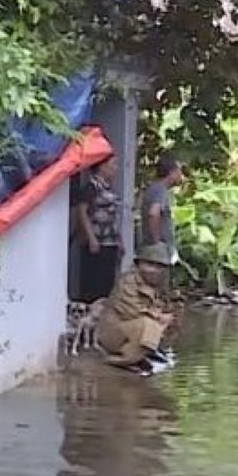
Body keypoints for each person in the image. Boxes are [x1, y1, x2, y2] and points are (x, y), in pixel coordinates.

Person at [98, 243, 176, 375]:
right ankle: (121, 360)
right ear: (139, 263)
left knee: (166, 321)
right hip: (113, 332)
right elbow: (131, 311)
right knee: (150, 325)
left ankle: (143, 355)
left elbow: (163, 305)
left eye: (159, 266)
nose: (154, 270)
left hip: (128, 331)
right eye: (150, 265)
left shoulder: (156, 284)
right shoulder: (128, 282)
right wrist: (158, 317)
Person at [74, 155, 124, 301]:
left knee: (107, 283)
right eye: (113, 165)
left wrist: (119, 239)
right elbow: (82, 212)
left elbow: (113, 217)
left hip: (110, 241)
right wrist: (91, 238)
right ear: (102, 167)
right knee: (93, 283)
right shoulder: (91, 188)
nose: (116, 169)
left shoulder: (109, 188)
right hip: (96, 242)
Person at [140, 155, 184, 295]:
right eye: (179, 171)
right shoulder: (160, 191)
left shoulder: (155, 189)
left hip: (153, 248)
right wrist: (157, 240)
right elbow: (154, 213)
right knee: (158, 291)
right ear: (171, 173)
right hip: (157, 250)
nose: (181, 175)